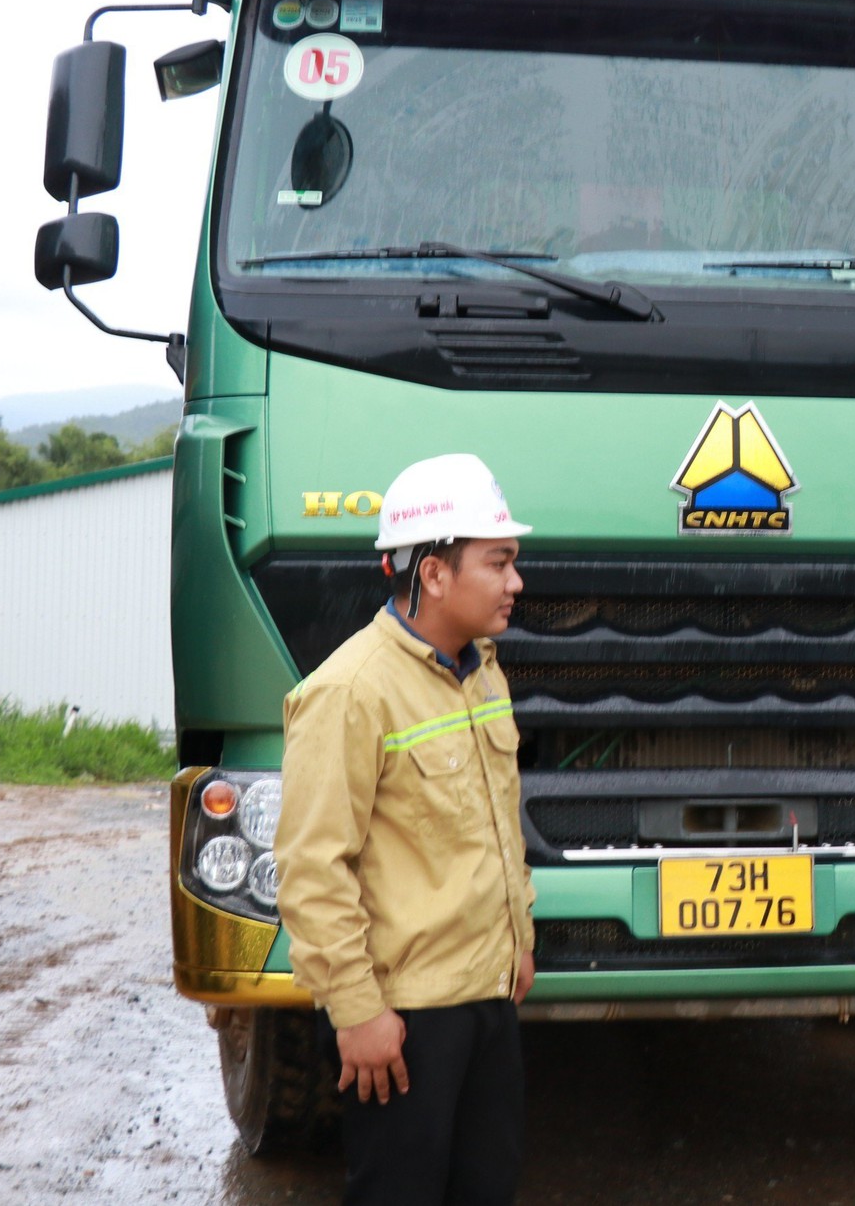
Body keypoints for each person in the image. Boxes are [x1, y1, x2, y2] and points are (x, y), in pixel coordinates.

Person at [275, 452, 537, 1206]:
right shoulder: (349, 692)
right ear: (434, 573)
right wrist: (357, 1011)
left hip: (488, 994)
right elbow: (313, 869)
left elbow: (499, 817)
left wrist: (518, 938)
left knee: (487, 1187)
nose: (516, 582)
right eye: (499, 562)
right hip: (404, 1017)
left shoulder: (482, 671)